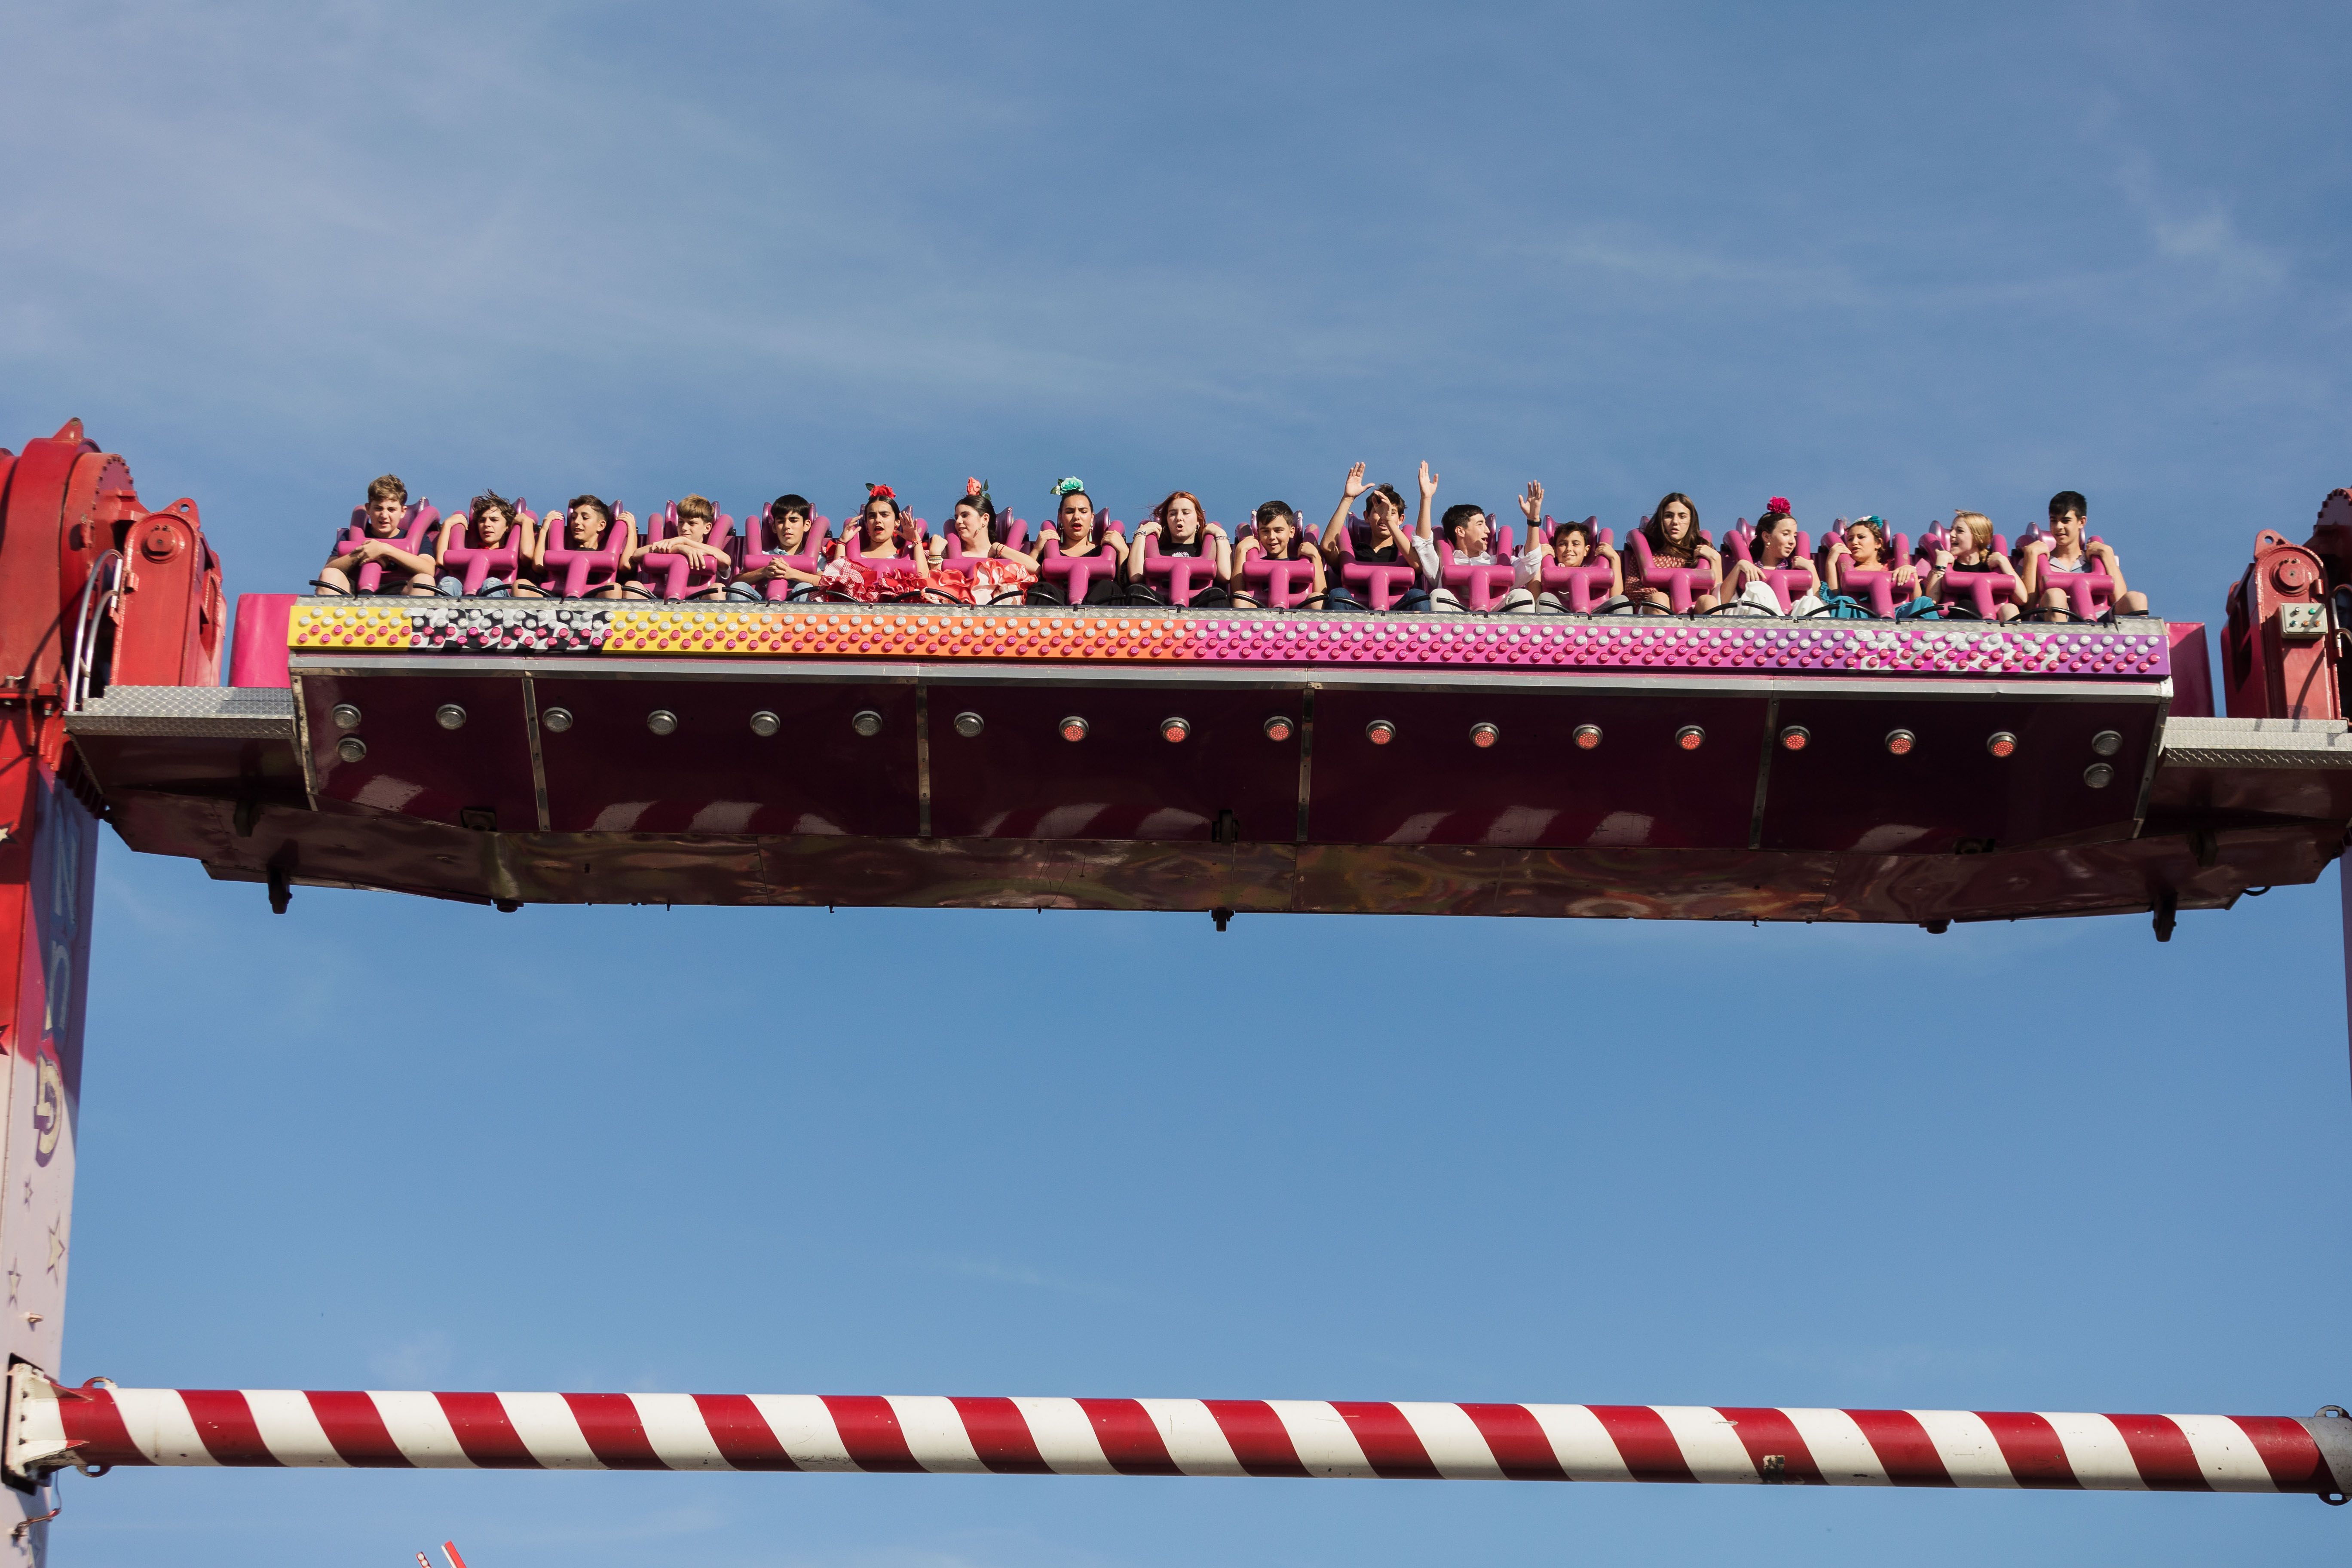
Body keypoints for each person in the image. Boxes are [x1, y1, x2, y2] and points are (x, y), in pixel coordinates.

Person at [1406, 464, 1535, 612]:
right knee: (1439, 594)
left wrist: (1533, 521)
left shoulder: (1498, 562)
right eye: (1480, 524)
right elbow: (1423, 544)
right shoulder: (1443, 565)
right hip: (1458, 621)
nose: (1487, 531)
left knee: (1523, 595)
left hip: (1497, 619)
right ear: (1460, 531)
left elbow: (1530, 564)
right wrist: (1426, 498)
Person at [1318, 464, 1430, 612]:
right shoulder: (1355, 553)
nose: (1384, 516)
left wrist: (1389, 521)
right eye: (1378, 512)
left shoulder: (1403, 553)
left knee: (1418, 596)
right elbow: (1327, 547)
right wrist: (1348, 498)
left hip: (1397, 612)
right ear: (1366, 516)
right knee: (1338, 594)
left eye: (1391, 512)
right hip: (1357, 611)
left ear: (1401, 519)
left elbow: (1418, 564)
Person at [2021, 490, 2147, 618]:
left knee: (2137, 598)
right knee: (2055, 595)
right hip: (2054, 621)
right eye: (2054, 521)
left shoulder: (2096, 560)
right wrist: (2030, 559)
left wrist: (2107, 555)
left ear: (2081, 522)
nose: (2059, 527)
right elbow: (2028, 606)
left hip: (2100, 620)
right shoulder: (2040, 559)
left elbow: (2120, 598)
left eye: (2066, 521)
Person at [318, 475, 436, 596]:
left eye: (391, 510)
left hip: (399, 590)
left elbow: (429, 569)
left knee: (425, 580)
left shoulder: (417, 538)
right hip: (353, 591)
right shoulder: (351, 535)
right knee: (330, 574)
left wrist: (385, 550)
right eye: (379, 508)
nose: (384, 515)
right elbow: (330, 567)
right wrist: (364, 553)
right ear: (369, 509)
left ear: (403, 512)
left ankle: (414, 614)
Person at [1030, 478, 1128, 605]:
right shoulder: (1047, 553)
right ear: (1060, 517)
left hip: (1098, 621)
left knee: (1107, 586)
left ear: (1092, 517)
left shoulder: (1104, 552)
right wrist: (1037, 550)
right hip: (1054, 619)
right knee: (1043, 589)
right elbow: (1025, 580)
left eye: (1083, 511)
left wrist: (1124, 551)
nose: (1077, 516)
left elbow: (1125, 585)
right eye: (1070, 512)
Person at [1127, 489, 1229, 604]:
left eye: (1186, 513)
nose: (1179, 518)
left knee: (1216, 593)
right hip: (1158, 604)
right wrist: (1141, 534)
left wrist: (1221, 535)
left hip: (1199, 605)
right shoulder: (1156, 550)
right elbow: (1135, 576)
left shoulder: (1206, 551)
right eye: (1173, 514)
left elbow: (1225, 575)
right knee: (1138, 590)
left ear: (1198, 519)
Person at [1625, 492, 1720, 611]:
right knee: (1660, 599)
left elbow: (1717, 595)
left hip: (1694, 609)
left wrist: (1716, 558)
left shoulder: (1699, 555)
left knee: (1708, 601)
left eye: (1682, 516)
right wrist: (1670, 598)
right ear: (1661, 520)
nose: (1675, 522)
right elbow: (1633, 589)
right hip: (1653, 609)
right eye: (1669, 516)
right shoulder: (1648, 556)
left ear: (1691, 521)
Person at [627, 493, 731, 600]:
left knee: (718, 589)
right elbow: (637, 555)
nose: (684, 528)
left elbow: (726, 560)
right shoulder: (670, 544)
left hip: (699, 600)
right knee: (632, 586)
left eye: (692, 523)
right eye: (681, 522)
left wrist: (684, 541)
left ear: (707, 528)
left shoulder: (707, 549)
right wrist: (679, 548)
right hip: (660, 598)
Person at [434, 491, 536, 597]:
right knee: (449, 581)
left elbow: (527, 554)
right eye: (482, 520)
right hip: (464, 599)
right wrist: (447, 525)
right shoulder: (469, 551)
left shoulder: (513, 551)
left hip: (502, 599)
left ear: (508, 527)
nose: (487, 525)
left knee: (491, 583)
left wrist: (526, 522)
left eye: (494, 520)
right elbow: (441, 561)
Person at [1927, 510, 2024, 620]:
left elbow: (2022, 599)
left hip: (1994, 626)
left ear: (1979, 538)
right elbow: (1932, 600)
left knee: (2010, 608)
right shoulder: (1948, 568)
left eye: (1960, 531)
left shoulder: (1991, 568)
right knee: (1966, 605)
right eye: (1952, 530)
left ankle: (2008, 636)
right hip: (1957, 625)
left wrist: (2005, 564)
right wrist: (1941, 564)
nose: (1952, 534)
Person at [534, 494, 637, 598]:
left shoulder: (609, 554)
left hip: (596, 599)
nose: (577, 522)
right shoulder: (563, 551)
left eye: (585, 518)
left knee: (613, 588)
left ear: (601, 526)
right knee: (521, 584)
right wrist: (544, 530)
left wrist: (632, 531)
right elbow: (539, 566)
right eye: (574, 518)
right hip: (558, 599)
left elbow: (626, 565)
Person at [729, 493, 827, 601]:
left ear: (806, 525)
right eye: (781, 521)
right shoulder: (764, 556)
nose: (787, 526)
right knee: (738, 588)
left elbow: (824, 582)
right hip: (762, 606)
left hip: (795, 608)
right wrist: (764, 572)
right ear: (774, 527)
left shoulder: (817, 557)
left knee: (805, 588)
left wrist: (791, 573)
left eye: (794, 521)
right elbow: (736, 582)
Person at [1724, 499, 1816, 612]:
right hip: (1756, 623)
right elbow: (1721, 603)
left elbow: (1819, 602)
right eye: (1786, 534)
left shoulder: (1794, 568)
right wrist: (1739, 566)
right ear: (1767, 537)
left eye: (1795, 536)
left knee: (1811, 602)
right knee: (1760, 590)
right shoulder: (1748, 566)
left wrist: (1811, 569)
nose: (1792, 541)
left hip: (1793, 624)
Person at [1230, 499, 1326, 606]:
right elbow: (1238, 594)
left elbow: (1322, 594)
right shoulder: (1254, 561)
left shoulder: (1301, 562)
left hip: (1297, 615)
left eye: (1278, 531)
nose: (1272, 537)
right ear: (1259, 534)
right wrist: (1241, 551)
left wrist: (1316, 557)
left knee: (1316, 598)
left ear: (1291, 532)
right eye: (1265, 531)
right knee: (1242, 597)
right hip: (1260, 613)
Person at [1531, 514, 1625, 610]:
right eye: (1563, 544)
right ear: (1555, 550)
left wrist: (1615, 559)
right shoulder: (1550, 569)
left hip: (1595, 615)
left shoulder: (1594, 571)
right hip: (1559, 613)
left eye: (1575, 544)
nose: (1569, 549)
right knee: (1545, 598)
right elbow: (1535, 599)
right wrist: (1537, 559)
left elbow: (1617, 597)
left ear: (1586, 550)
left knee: (1622, 600)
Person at [1825, 515, 1921, 608]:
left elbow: (1916, 600)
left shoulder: (1893, 567)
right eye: (1850, 539)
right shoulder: (1846, 569)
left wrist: (1912, 573)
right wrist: (1831, 563)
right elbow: (1834, 596)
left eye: (1861, 537)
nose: (1854, 542)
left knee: (1924, 602)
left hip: (1897, 615)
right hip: (1857, 614)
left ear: (1878, 543)